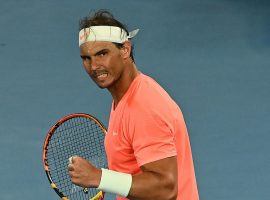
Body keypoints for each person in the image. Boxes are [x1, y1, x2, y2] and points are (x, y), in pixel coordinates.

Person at [68, 10, 199, 200]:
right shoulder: (126, 96)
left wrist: (99, 177)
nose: (94, 66)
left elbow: (165, 188)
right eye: (86, 58)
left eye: (102, 54)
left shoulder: (144, 106)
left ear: (125, 50)